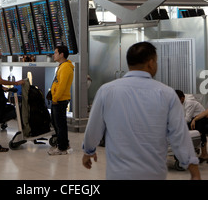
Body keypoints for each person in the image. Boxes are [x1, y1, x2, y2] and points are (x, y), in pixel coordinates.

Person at [82, 41, 201, 180]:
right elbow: (179, 135)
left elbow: (94, 128)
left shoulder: (107, 90)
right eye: (156, 62)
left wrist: (88, 151)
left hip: (118, 174)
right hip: (153, 174)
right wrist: (194, 170)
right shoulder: (167, 94)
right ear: (150, 63)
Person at [48, 44, 74, 156]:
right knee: (57, 123)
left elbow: (62, 85)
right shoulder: (62, 66)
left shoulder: (66, 67)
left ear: (61, 54)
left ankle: (62, 148)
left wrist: (55, 98)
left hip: (60, 100)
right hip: (58, 99)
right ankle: (64, 144)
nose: (54, 55)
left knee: (60, 124)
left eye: (55, 53)